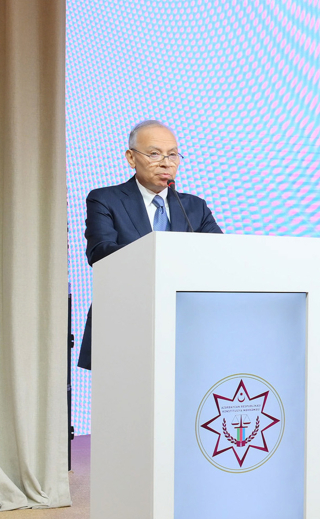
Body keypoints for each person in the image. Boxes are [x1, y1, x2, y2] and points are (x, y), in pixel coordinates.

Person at [77, 120, 223, 370]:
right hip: (123, 322)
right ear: (131, 158)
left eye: (173, 154)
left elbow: (221, 255)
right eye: (155, 154)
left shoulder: (194, 207)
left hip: (185, 324)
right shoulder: (105, 199)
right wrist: (159, 255)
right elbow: (99, 252)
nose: (166, 162)